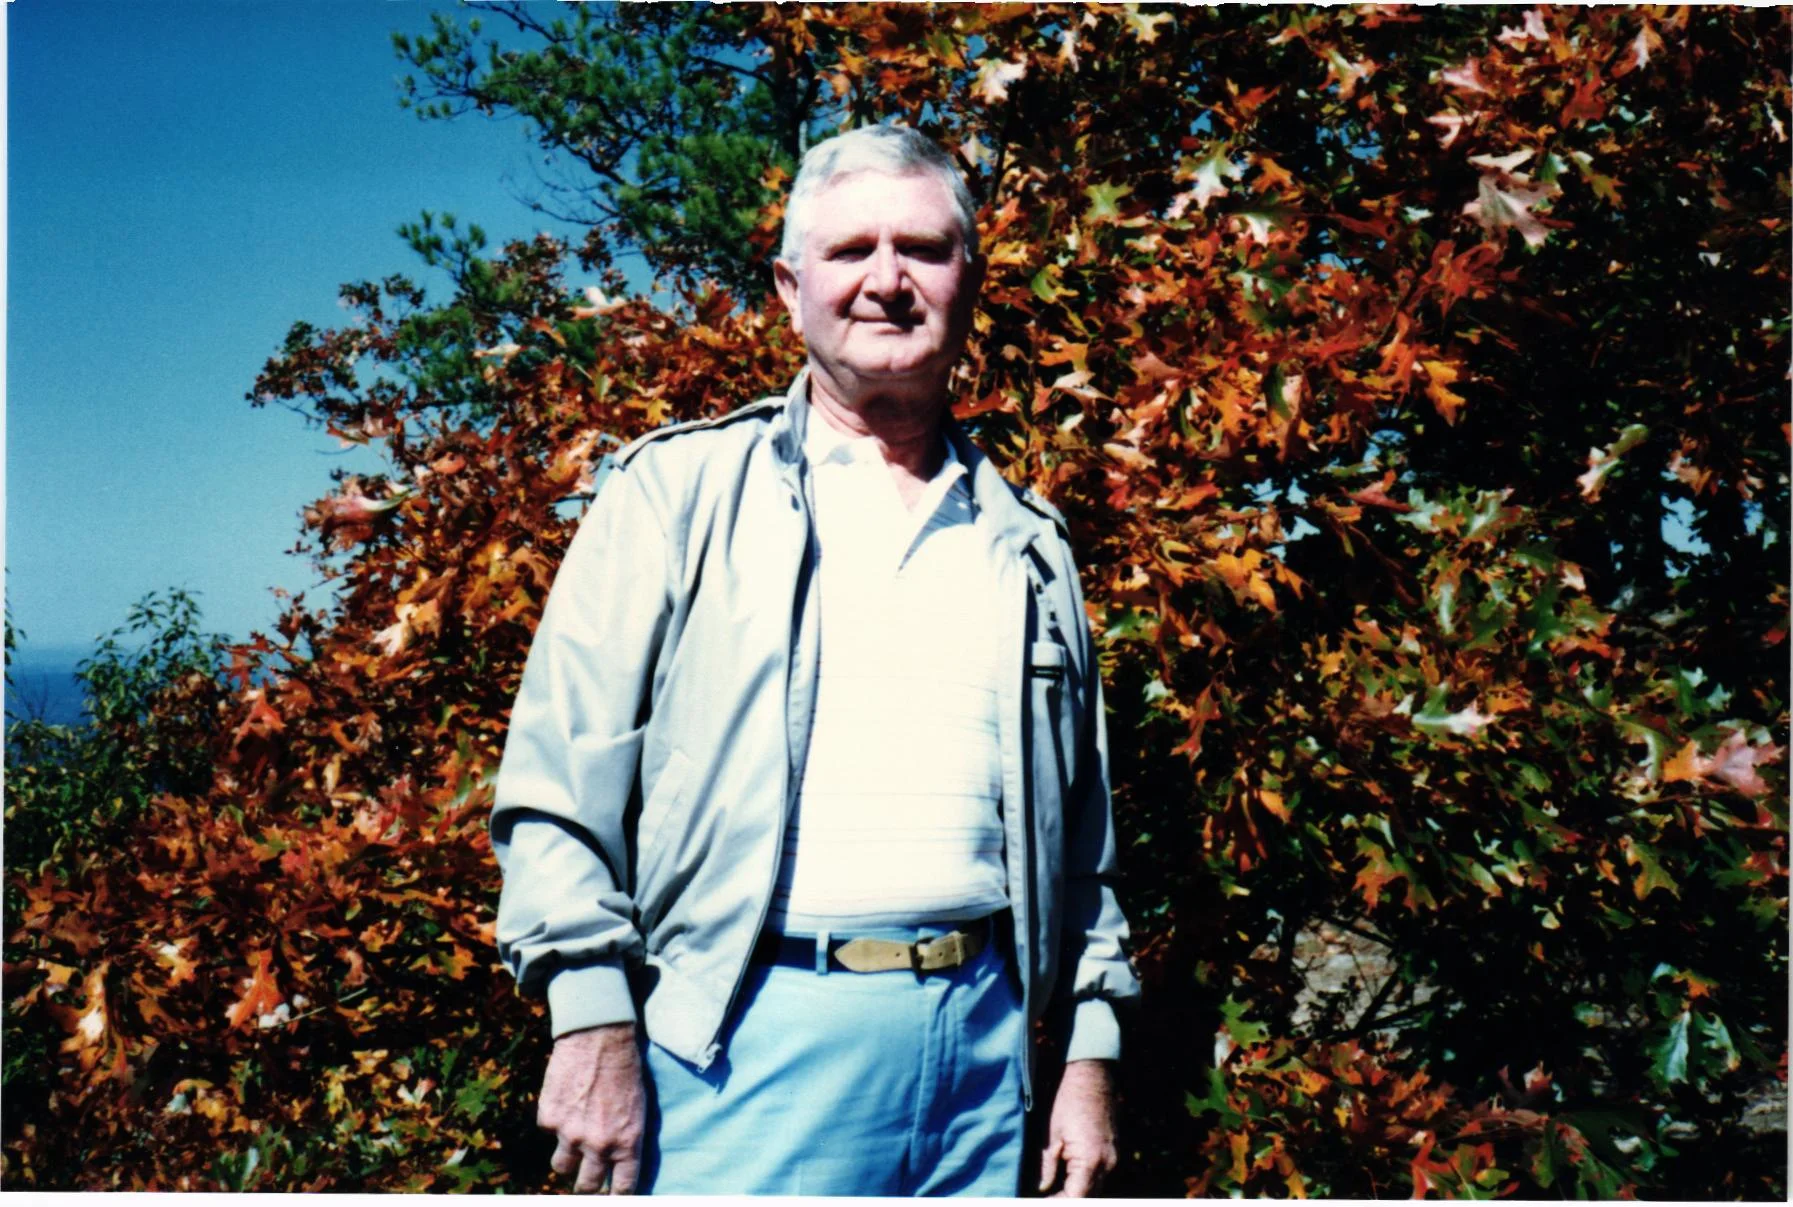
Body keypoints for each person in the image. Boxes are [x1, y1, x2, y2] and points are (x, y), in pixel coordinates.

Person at [491, 123, 1139, 1197]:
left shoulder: (1029, 544)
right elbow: (557, 795)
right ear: (790, 290)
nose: (886, 281)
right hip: (740, 1052)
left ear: (968, 282)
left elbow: (1084, 850)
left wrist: (1086, 1057)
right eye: (849, 251)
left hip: (988, 1064)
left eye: (922, 249)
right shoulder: (675, 495)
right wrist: (590, 1018)